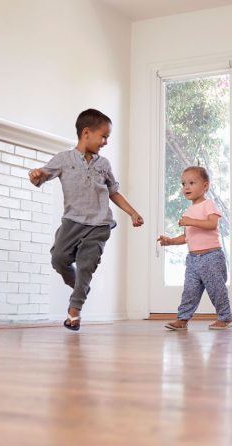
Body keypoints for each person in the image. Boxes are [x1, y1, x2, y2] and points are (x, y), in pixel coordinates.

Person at [28, 108, 143, 331]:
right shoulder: (63, 159)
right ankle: (82, 288)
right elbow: (40, 178)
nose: (106, 142)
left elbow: (113, 192)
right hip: (72, 221)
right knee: (58, 259)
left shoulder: (104, 165)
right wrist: (35, 176)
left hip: (99, 224)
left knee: (85, 265)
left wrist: (133, 213)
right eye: (104, 136)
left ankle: (74, 311)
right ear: (86, 132)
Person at [157, 166, 232, 331]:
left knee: (216, 289)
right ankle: (182, 319)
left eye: (191, 183)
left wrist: (191, 221)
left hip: (211, 257)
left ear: (205, 186)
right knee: (189, 291)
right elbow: (187, 237)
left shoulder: (208, 204)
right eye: (183, 183)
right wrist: (169, 241)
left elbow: (212, 224)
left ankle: (225, 318)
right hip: (192, 260)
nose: (186, 187)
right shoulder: (189, 210)